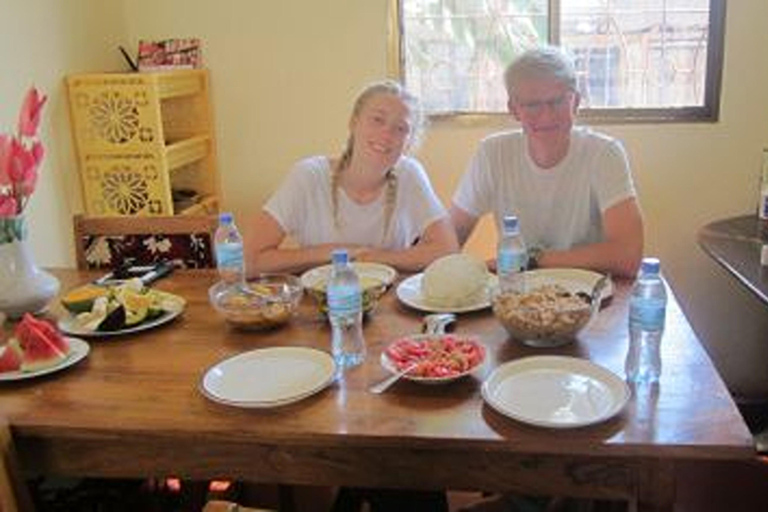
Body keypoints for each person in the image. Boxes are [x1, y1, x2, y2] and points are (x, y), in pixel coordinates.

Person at [450, 46, 643, 278]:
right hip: (518, 294)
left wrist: (534, 260)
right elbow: (449, 238)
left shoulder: (604, 153)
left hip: (590, 296)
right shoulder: (493, 153)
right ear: (513, 109)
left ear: (576, 102)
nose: (547, 115)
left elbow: (628, 255)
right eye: (532, 105)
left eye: (558, 101)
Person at [244, 80, 458, 275]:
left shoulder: (409, 174)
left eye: (400, 128)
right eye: (377, 119)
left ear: (409, 142)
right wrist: (338, 253)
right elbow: (250, 260)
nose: (386, 134)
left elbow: (447, 250)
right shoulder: (308, 176)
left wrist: (372, 257)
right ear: (353, 123)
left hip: (388, 309)